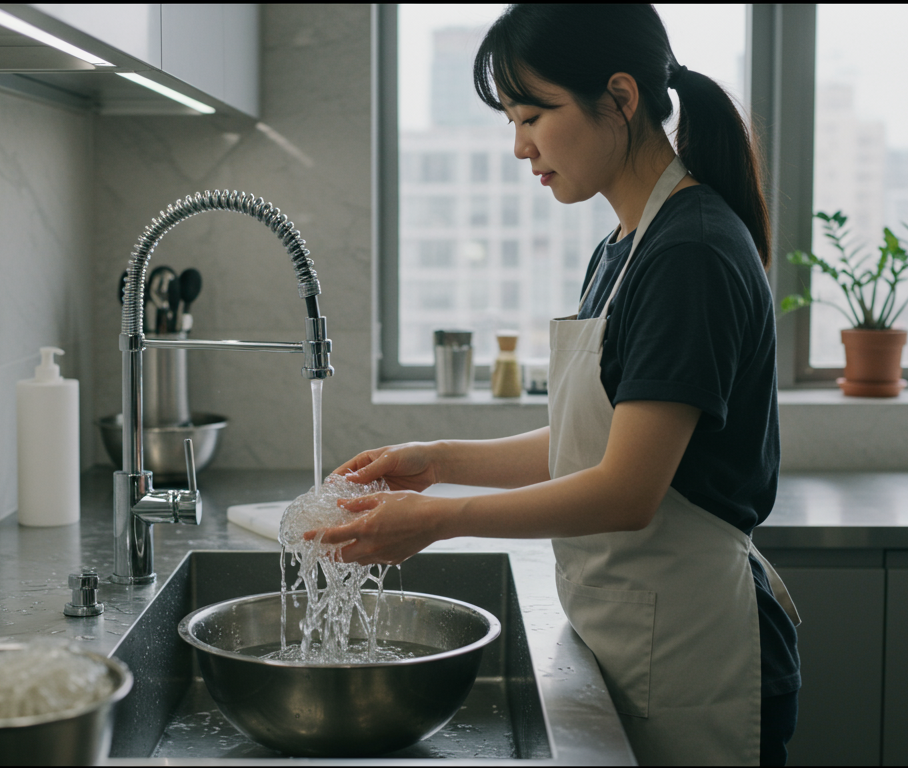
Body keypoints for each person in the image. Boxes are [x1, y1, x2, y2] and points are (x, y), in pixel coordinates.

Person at [310, 5, 800, 766]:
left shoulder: (690, 254)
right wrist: (437, 461)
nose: (520, 147)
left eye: (533, 116)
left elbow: (626, 490)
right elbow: (592, 442)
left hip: (697, 654)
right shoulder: (627, 245)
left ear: (620, 98)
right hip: (639, 634)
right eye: (513, 121)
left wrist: (439, 519)